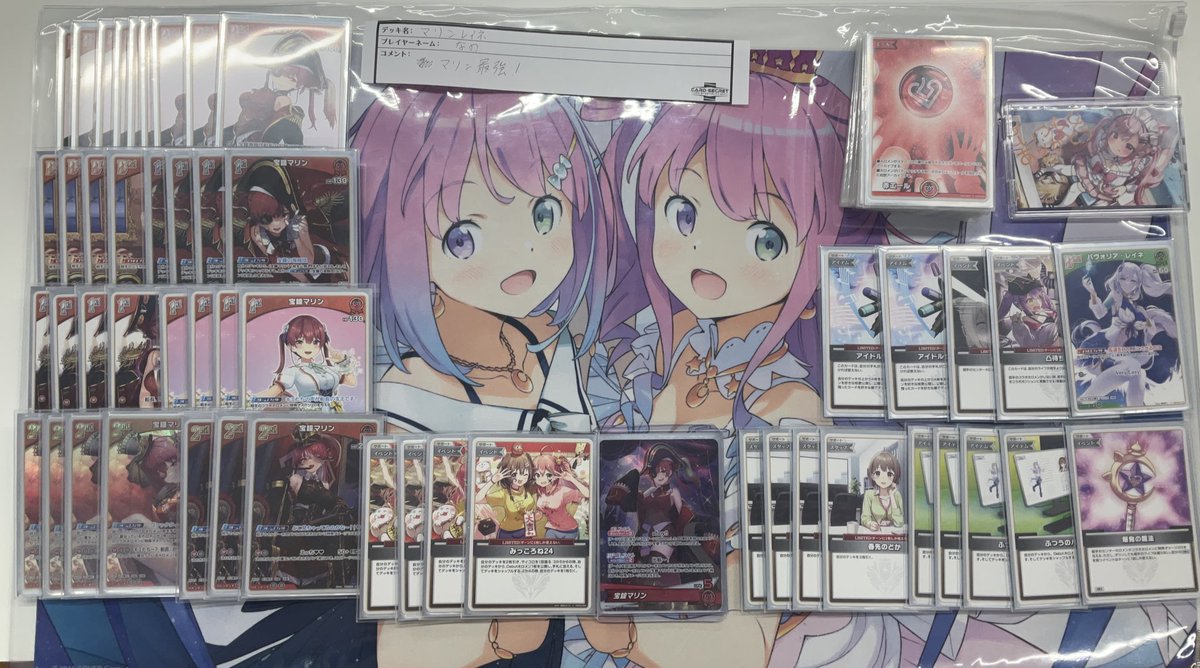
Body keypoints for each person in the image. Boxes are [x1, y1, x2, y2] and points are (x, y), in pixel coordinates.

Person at [860, 450, 904, 531]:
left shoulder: (897, 495)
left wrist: (892, 496)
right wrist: (869, 524)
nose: (883, 478)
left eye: (889, 474)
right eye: (877, 473)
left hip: (892, 535)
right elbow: (864, 519)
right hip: (875, 533)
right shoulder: (869, 495)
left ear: (894, 476)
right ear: (872, 476)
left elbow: (899, 523)